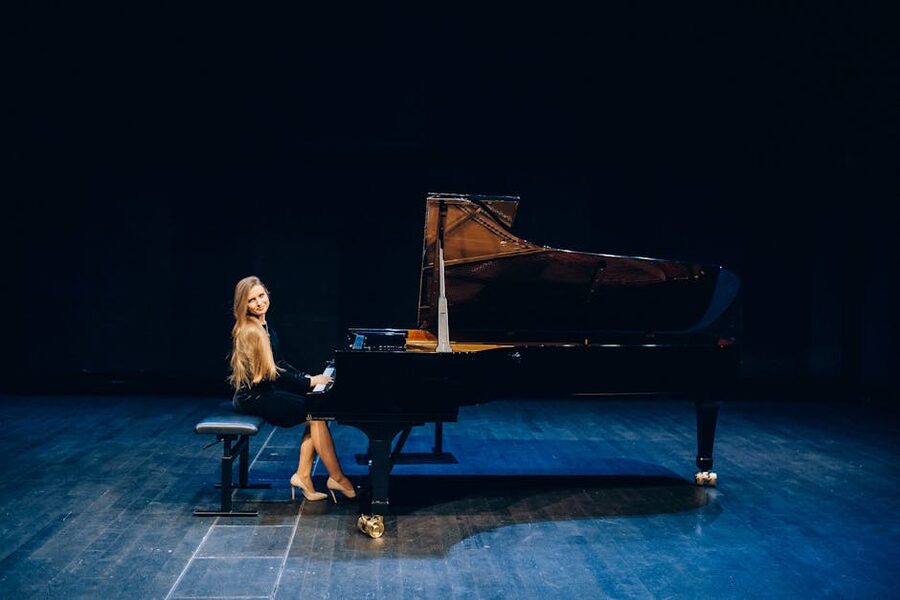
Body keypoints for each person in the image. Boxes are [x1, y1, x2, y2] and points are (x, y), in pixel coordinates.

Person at [228, 275, 355, 503]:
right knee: (316, 414)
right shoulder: (251, 331)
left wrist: (307, 377)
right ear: (243, 305)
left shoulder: (263, 324)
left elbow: (280, 362)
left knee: (315, 415)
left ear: (267, 294)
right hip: (253, 397)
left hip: (265, 391)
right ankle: (336, 477)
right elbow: (273, 371)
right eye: (251, 300)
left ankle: (303, 476)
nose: (258, 302)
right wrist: (308, 382)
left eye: (261, 296)